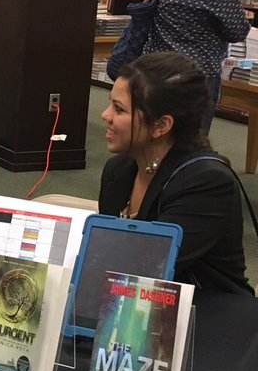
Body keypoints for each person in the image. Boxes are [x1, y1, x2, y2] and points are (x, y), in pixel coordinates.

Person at [98, 51, 249, 295]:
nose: (105, 115)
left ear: (161, 125)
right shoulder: (119, 170)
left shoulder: (207, 184)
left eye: (119, 109)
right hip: (137, 307)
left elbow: (148, 268)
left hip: (206, 316)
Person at [143, 0, 251, 133]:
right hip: (197, 72)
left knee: (155, 132)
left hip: (158, 65)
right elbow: (237, 30)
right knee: (191, 137)